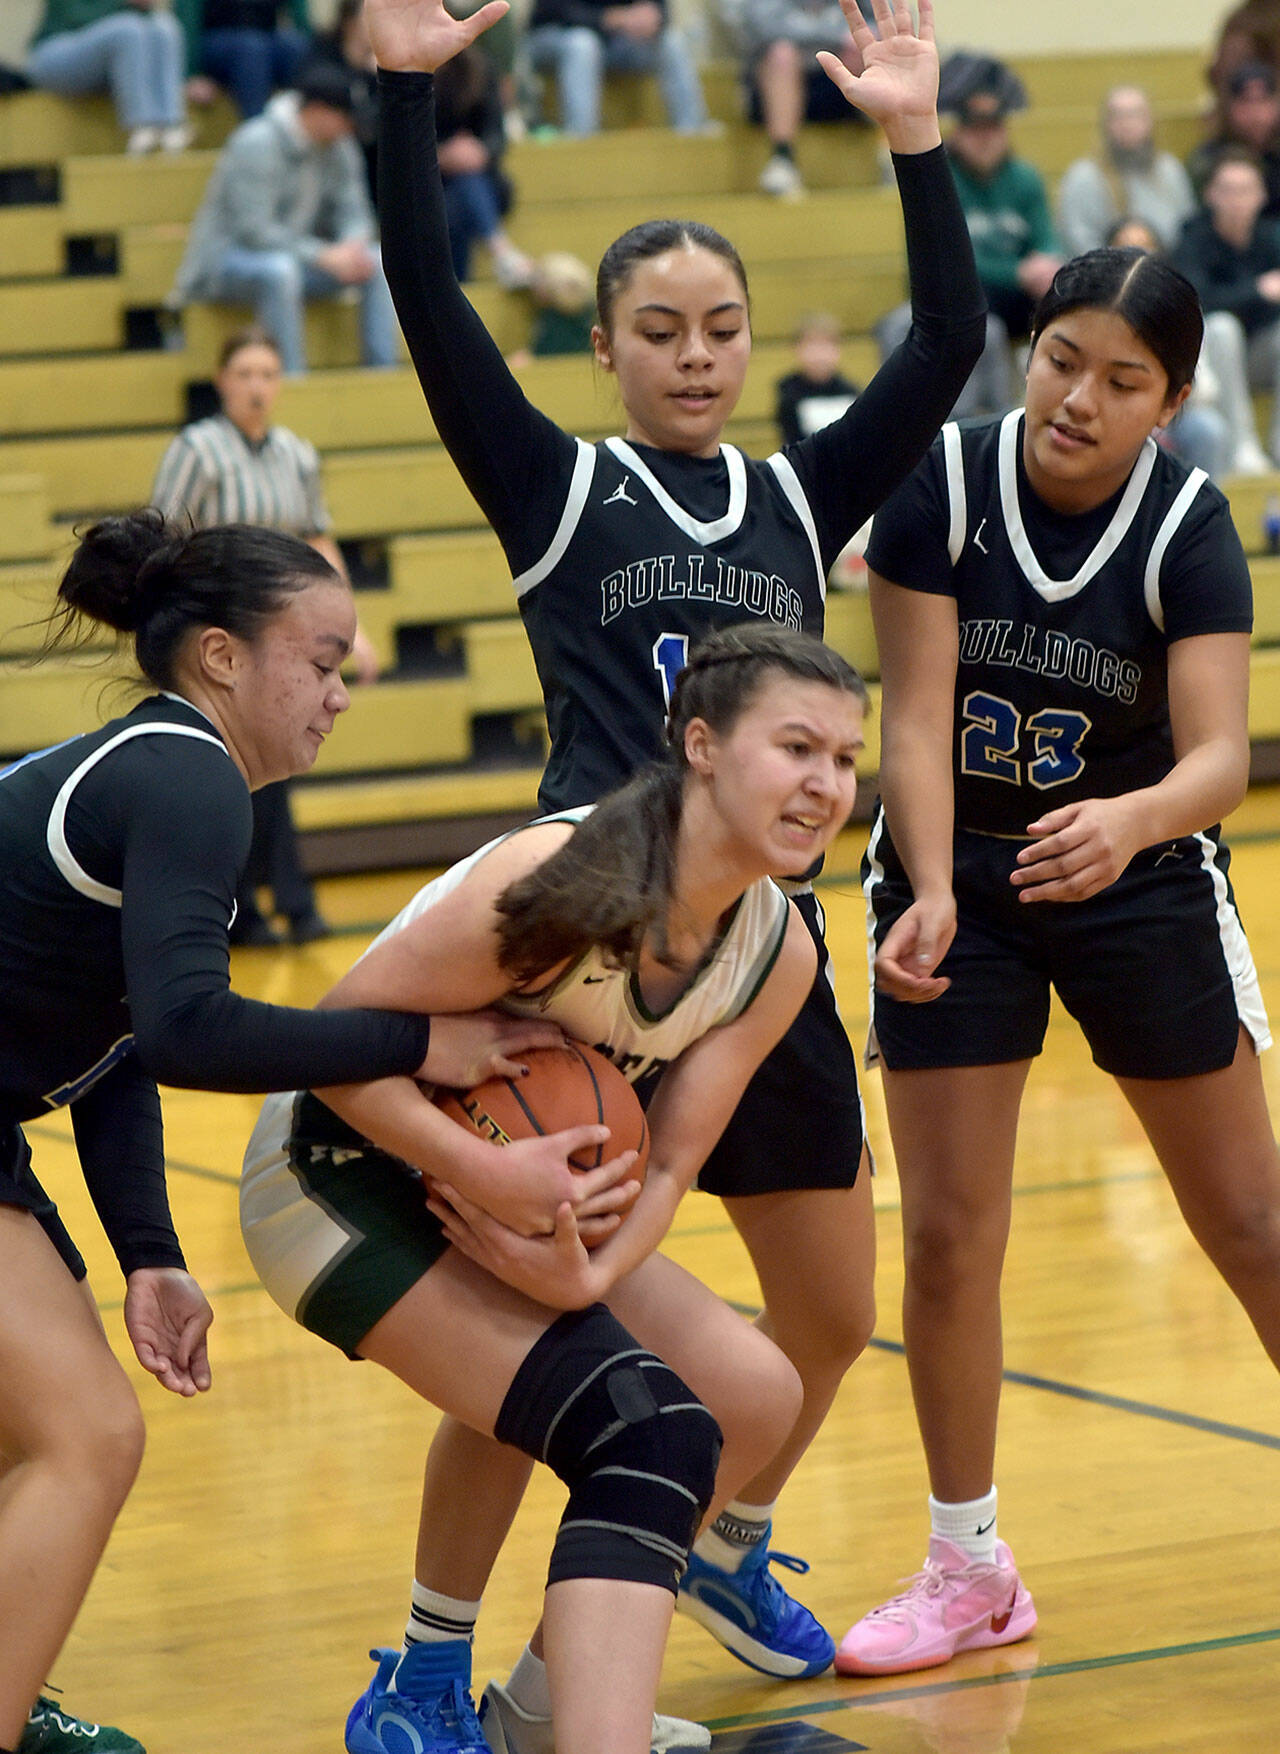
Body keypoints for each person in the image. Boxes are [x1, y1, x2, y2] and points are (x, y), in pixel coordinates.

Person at [365, 0, 985, 1711]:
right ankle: (424, 1660)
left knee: (835, 1312)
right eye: (660, 329)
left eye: (720, 325)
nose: (698, 354)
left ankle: (717, 1543)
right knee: (540, 1346)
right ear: (610, 352)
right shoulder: (559, 494)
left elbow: (944, 338)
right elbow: (426, 305)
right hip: (587, 968)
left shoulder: (796, 498)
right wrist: (403, 94)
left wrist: (917, 141)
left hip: (757, 962)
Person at [0, 510, 571, 1754]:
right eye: (320, 659)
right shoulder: (188, 774)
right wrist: (418, 1044)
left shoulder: (159, 768)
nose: (342, 689)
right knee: (85, 1434)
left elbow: (120, 1044)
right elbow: (194, 1029)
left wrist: (148, 1245)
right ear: (220, 658)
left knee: (23, 1431)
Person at [239, 624, 867, 1754]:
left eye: (844, 757)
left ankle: (544, 1700)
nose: (825, 784)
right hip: (334, 1165)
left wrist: (585, 1266)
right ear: (702, 746)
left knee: (757, 1396)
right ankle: (421, 1682)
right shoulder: (554, 883)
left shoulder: (775, 950)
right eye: (796, 747)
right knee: (623, 1406)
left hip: (521, 1195)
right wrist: (486, 1169)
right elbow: (320, 1046)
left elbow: (670, 1159)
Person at [839, 245, 1280, 1677]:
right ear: (1028, 350)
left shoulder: (1188, 525)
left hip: (1137, 875)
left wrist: (1132, 820)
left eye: (1123, 379)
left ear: (1175, 400)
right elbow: (913, 714)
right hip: (956, 868)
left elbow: (1222, 754)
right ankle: (968, 1563)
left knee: (1253, 1224)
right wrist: (921, 882)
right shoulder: (945, 483)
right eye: (1061, 359)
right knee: (951, 1233)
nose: (1079, 397)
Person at [150, 324, 371, 945]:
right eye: (243, 373)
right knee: (244, 769)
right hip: (218, 641)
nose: (255, 386)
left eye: (267, 374)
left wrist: (355, 628)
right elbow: (164, 540)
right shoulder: (197, 450)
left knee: (272, 768)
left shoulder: (296, 453)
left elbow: (318, 538)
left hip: (286, 641)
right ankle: (266, 906)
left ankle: (270, 907)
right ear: (221, 381)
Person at [170, 61, 399, 375]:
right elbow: (253, 231)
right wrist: (323, 255)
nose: (350, 129)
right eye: (345, 119)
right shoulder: (257, 142)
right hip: (225, 262)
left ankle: (381, 375)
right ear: (318, 110)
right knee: (279, 272)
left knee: (376, 261)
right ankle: (290, 381)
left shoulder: (340, 146)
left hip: (297, 259)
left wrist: (351, 245)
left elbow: (355, 210)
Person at [877, 65, 1062, 418]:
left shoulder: (1025, 178)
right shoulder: (942, 180)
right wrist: (1017, 271)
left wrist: (1047, 262)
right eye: (975, 129)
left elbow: (1046, 237)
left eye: (993, 128)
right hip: (959, 294)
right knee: (978, 325)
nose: (985, 138)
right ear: (958, 131)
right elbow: (940, 259)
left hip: (1019, 296)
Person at [1171, 145, 1280, 469]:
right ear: (1210, 195)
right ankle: (1240, 446)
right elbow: (1193, 299)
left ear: (1261, 196)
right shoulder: (1193, 238)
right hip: (1209, 361)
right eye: (1227, 191)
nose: (1236, 200)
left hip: (1260, 355)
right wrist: (1257, 291)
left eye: (1245, 190)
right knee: (1223, 327)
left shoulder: (1272, 238)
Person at [733, 0, 875, 198]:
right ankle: (782, 158)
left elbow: (883, 24)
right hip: (777, 84)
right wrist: (834, 33)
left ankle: (886, 152)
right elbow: (763, 27)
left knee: (864, 47)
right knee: (781, 53)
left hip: (836, 82)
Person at [26, 0, 192, 155]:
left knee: (164, 26)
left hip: (104, 61)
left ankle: (171, 124)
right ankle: (143, 127)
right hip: (54, 53)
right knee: (128, 30)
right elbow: (78, 17)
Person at [525, 0, 706, 138]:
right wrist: (610, 17)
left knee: (671, 42)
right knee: (583, 44)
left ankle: (692, 130)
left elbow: (661, 10)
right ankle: (581, 136)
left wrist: (651, 17)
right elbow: (556, 11)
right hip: (558, 37)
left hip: (617, 43)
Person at [1055, 85, 1195, 257]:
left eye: (1135, 115)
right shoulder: (1082, 177)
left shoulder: (1170, 170)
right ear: (1105, 124)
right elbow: (1076, 241)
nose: (1127, 124)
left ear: (1150, 121)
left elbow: (1186, 231)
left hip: (1165, 273)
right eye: (1118, 116)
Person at [174, 0, 313, 121]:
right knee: (252, 48)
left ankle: (303, 126)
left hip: (265, 41)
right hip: (215, 44)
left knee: (295, 45)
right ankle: (256, 129)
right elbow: (187, 20)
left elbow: (302, 20)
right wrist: (191, 74)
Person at [1188, 59, 1280, 218]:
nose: (1256, 113)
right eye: (1246, 102)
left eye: (1263, 101)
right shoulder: (1208, 159)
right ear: (1229, 107)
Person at [773, 311, 860, 446]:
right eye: (812, 346)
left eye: (826, 346)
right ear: (797, 348)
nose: (819, 355)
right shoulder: (787, 391)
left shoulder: (851, 391)